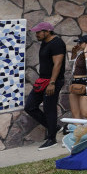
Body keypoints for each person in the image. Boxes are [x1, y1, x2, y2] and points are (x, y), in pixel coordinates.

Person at [25, 21, 65, 149]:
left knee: (49, 109)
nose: (36, 34)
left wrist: (52, 83)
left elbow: (58, 64)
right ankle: (55, 127)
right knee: (30, 106)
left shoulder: (57, 43)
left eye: (38, 32)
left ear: (47, 31)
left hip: (53, 81)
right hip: (42, 81)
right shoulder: (44, 42)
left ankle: (51, 139)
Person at [66, 34, 87, 122]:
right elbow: (75, 68)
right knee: (75, 114)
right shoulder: (81, 53)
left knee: (86, 113)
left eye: (80, 43)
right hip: (75, 83)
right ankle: (79, 134)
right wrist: (74, 54)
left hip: (86, 84)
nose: (78, 45)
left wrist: (86, 52)